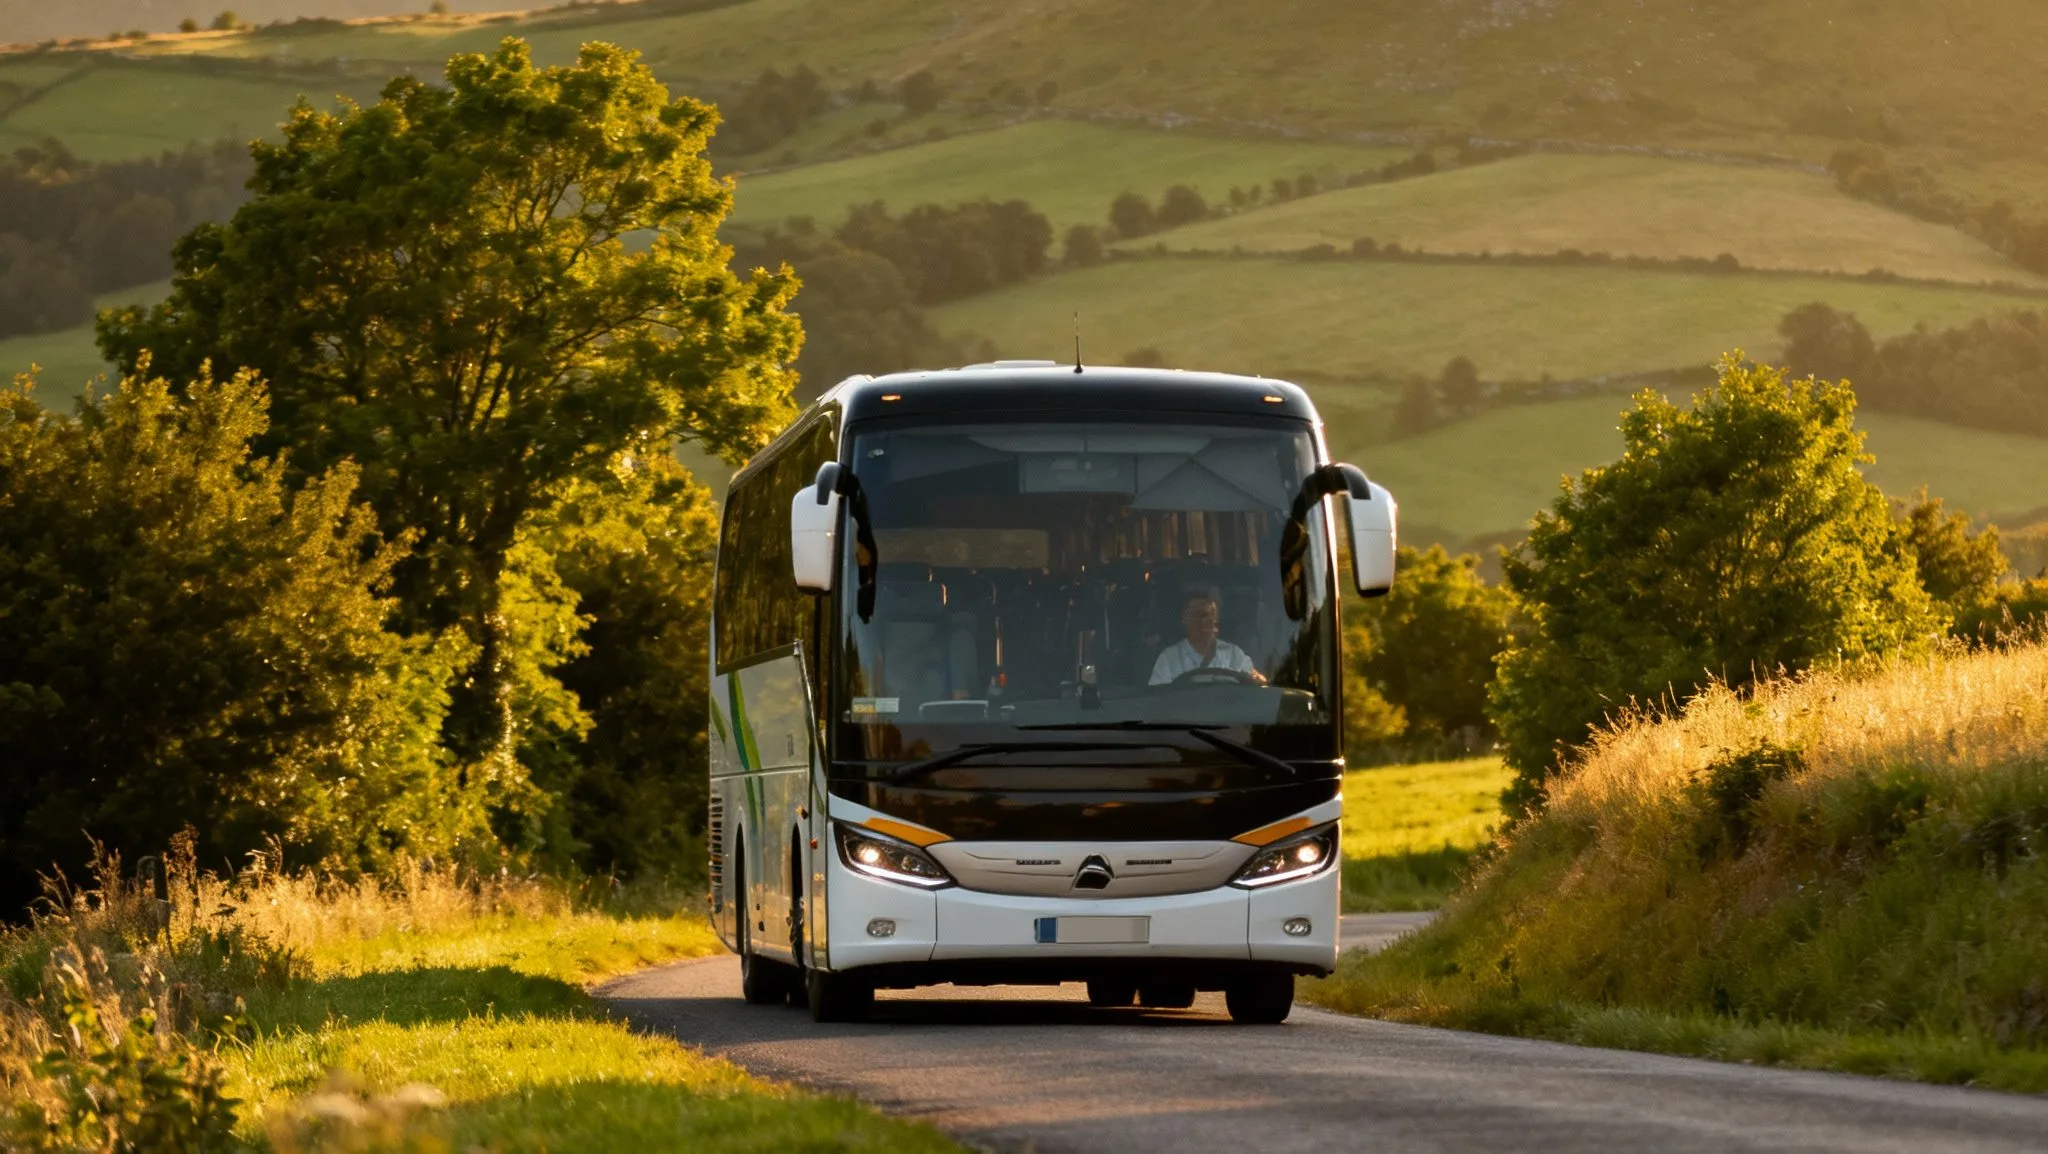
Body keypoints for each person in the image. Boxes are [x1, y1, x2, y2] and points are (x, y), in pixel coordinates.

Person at [1149, 594, 1266, 685]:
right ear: (1185, 620)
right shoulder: (1169, 659)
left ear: (1215, 622)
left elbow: (1252, 689)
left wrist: (1258, 680)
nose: (1201, 622)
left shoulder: (1234, 655)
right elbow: (1159, 701)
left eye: (1206, 615)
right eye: (1195, 615)